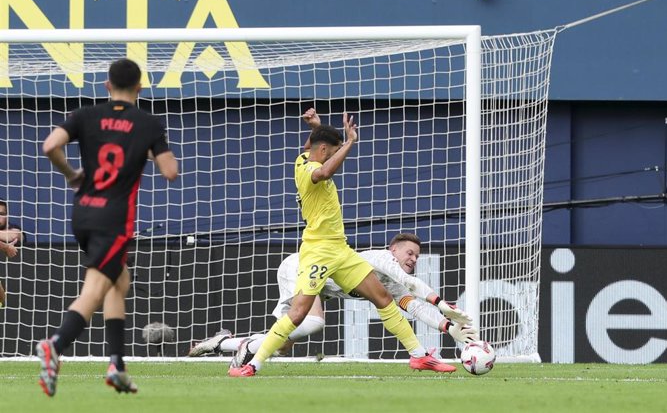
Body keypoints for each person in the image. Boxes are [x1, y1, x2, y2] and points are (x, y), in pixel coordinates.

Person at [228, 108, 470, 377]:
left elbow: (315, 145)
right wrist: (351, 142)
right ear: (322, 151)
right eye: (331, 152)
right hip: (317, 252)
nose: (334, 157)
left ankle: (419, 356)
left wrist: (318, 127)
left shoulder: (303, 156)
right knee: (299, 315)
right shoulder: (310, 169)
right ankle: (252, 364)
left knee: (383, 297)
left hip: (339, 250)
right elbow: (324, 172)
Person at [36, 58, 178, 397]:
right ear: (140, 88)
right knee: (95, 289)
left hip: (82, 213)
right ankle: (56, 344)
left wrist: (71, 175)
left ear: (106, 85)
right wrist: (148, 150)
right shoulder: (148, 123)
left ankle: (117, 364)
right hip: (114, 219)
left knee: (120, 279)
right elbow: (170, 171)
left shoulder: (86, 115)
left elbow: (49, 146)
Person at [189, 233, 478, 365]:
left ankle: (222, 342)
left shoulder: (392, 285)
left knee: (282, 346)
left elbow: (413, 306)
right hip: (303, 265)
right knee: (314, 322)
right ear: (393, 250)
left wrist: (447, 327)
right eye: (408, 253)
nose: (413, 259)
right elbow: (411, 283)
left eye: (417, 256)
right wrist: (440, 302)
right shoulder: (382, 260)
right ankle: (243, 346)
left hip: (319, 284)